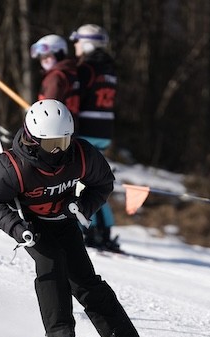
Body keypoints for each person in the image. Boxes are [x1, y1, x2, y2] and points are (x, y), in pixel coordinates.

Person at [0, 99, 162, 337]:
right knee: (51, 266)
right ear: (33, 140)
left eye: (64, 141)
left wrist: (82, 206)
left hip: (64, 222)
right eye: (52, 144)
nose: (59, 150)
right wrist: (16, 227)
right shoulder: (12, 167)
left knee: (86, 281)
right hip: (32, 227)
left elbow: (103, 183)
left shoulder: (81, 155)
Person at [70, 24, 120, 252]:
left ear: (87, 44)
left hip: (87, 129)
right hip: (104, 131)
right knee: (96, 181)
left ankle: (90, 230)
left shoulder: (86, 68)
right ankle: (104, 230)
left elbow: (75, 98)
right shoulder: (109, 68)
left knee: (83, 182)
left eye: (78, 42)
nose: (75, 47)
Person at [29, 34, 80, 117]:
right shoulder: (70, 72)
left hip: (57, 122)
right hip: (69, 120)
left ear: (59, 54)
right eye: (42, 57)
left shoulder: (55, 77)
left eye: (48, 56)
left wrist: (40, 115)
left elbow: (49, 109)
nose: (44, 60)